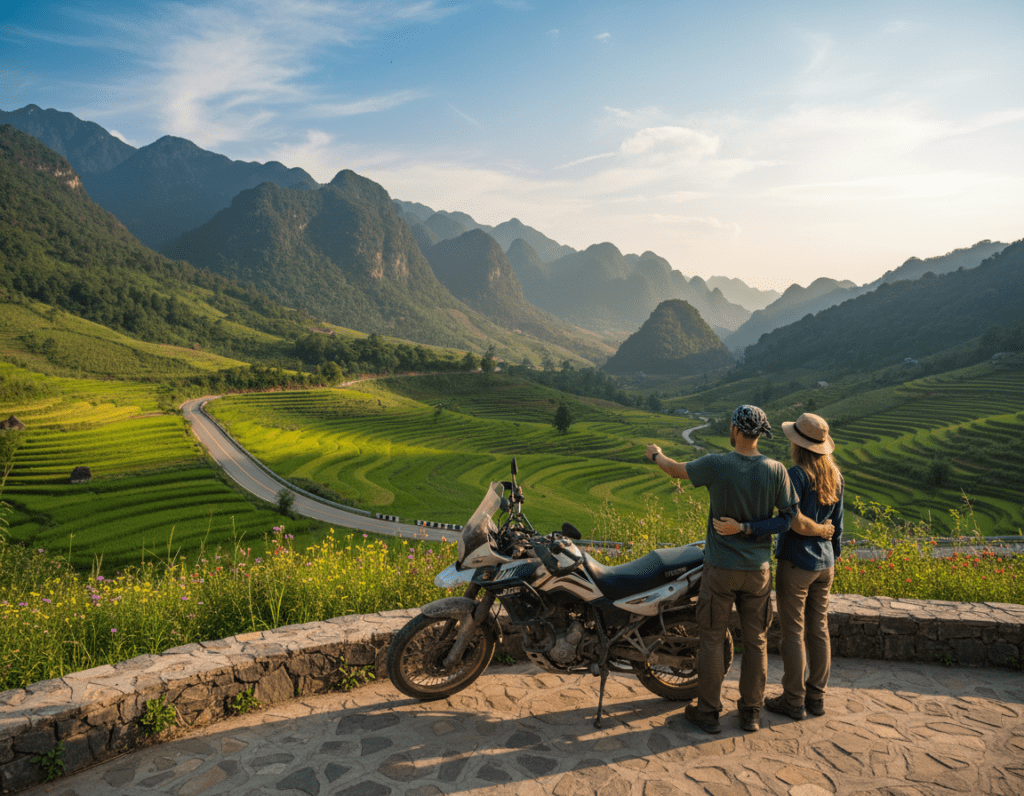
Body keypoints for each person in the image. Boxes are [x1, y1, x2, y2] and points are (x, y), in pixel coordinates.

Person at [646, 405, 803, 735]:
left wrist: (656, 454)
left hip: (720, 569)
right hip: (757, 570)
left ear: (735, 429)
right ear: (761, 433)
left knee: (713, 639)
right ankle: (751, 713)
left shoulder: (717, 464)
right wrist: (749, 528)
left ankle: (708, 712)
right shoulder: (776, 470)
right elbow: (788, 517)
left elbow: (674, 469)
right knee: (757, 641)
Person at [713, 412, 843, 721]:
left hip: (797, 563)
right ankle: (817, 697)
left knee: (793, 633)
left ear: (798, 444)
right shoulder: (836, 475)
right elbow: (837, 525)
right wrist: (830, 552)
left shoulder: (796, 475)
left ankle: (794, 700)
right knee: (819, 630)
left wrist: (744, 526)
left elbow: (792, 522)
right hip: (825, 564)